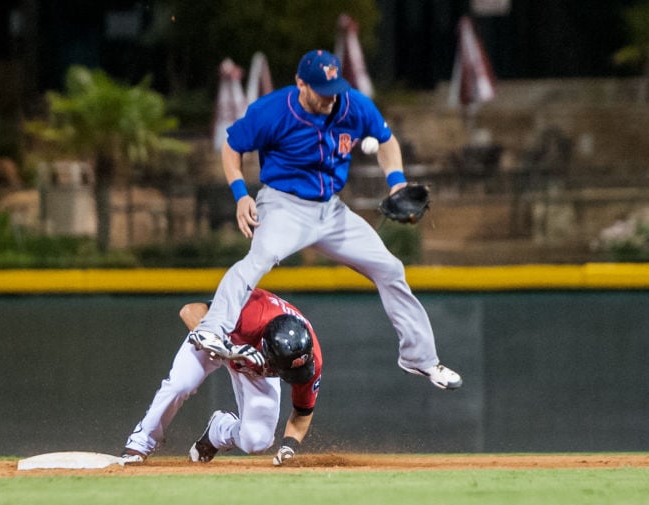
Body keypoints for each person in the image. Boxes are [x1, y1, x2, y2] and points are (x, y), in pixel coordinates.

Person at [190, 49, 462, 390]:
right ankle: (213, 327)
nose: (330, 97)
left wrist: (397, 183)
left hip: (331, 211)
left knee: (390, 268)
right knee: (258, 260)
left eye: (334, 88)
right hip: (283, 205)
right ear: (300, 83)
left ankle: (419, 358)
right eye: (321, 89)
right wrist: (241, 193)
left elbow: (386, 141)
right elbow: (232, 146)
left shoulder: (353, 104)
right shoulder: (273, 110)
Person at [122, 288, 323, 466]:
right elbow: (190, 311)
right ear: (265, 347)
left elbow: (302, 412)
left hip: (251, 362)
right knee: (180, 385)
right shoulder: (249, 314)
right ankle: (139, 445)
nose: (281, 375)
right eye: (279, 370)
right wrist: (228, 348)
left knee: (258, 441)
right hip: (219, 340)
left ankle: (218, 431)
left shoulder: (307, 358)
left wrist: (289, 447)